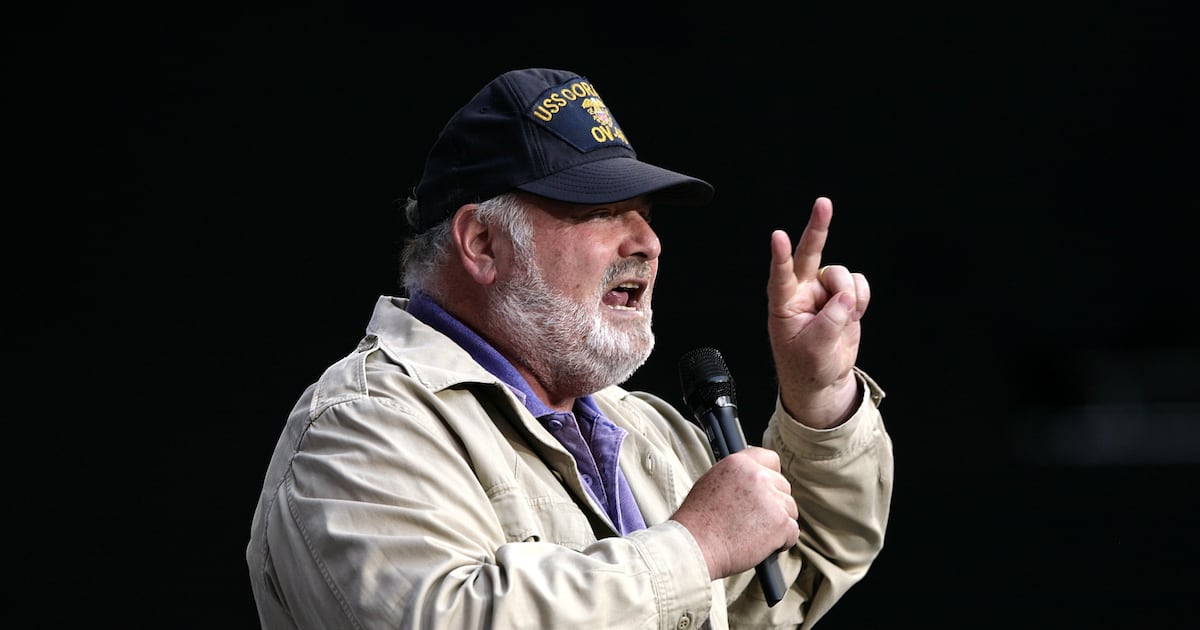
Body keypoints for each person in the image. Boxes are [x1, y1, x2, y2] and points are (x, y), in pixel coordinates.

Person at [246, 67, 893, 629]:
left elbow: (787, 590)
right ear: (482, 244)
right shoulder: (364, 423)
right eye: (601, 211)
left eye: (645, 215)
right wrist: (692, 548)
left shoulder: (645, 431)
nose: (648, 243)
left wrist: (818, 394)